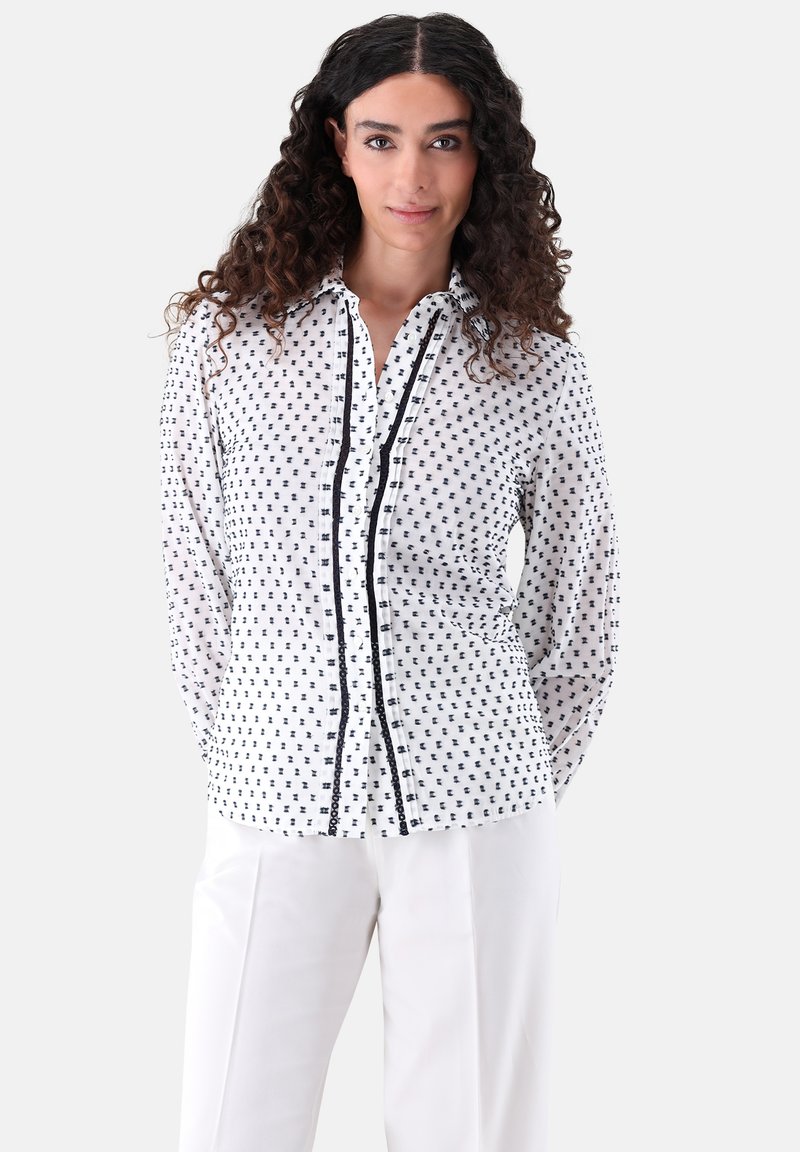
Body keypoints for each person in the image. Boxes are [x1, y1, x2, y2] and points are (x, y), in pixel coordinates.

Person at [159, 12, 621, 1152]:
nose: (412, 177)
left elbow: (579, 615)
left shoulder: (535, 365)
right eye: (381, 139)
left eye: (444, 141)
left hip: (476, 807)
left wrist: (501, 773)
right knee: (228, 1125)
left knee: (468, 1134)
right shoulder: (227, 344)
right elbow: (193, 581)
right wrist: (252, 743)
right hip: (270, 793)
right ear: (335, 143)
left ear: (483, 153)